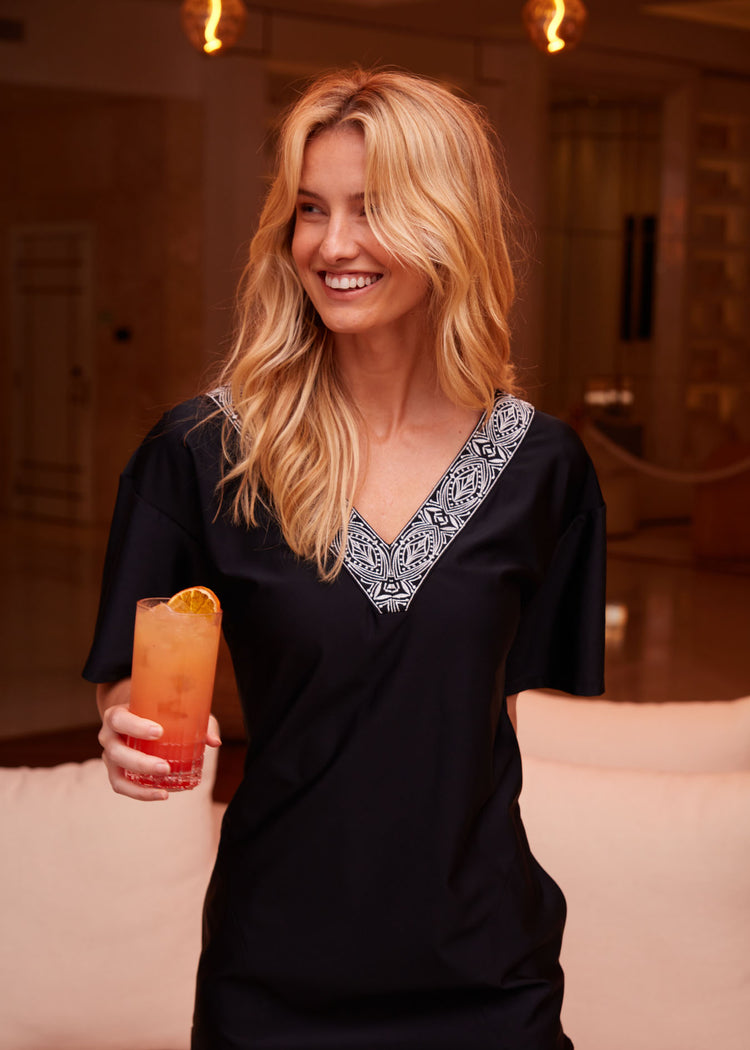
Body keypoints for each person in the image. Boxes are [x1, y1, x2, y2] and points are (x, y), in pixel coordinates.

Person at [85, 67, 606, 1050]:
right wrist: (127, 731)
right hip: (275, 972)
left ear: (449, 222)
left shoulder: (546, 469)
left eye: (373, 210)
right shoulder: (202, 455)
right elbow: (129, 686)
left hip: (489, 975)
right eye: (310, 211)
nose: (332, 246)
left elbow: (490, 707)